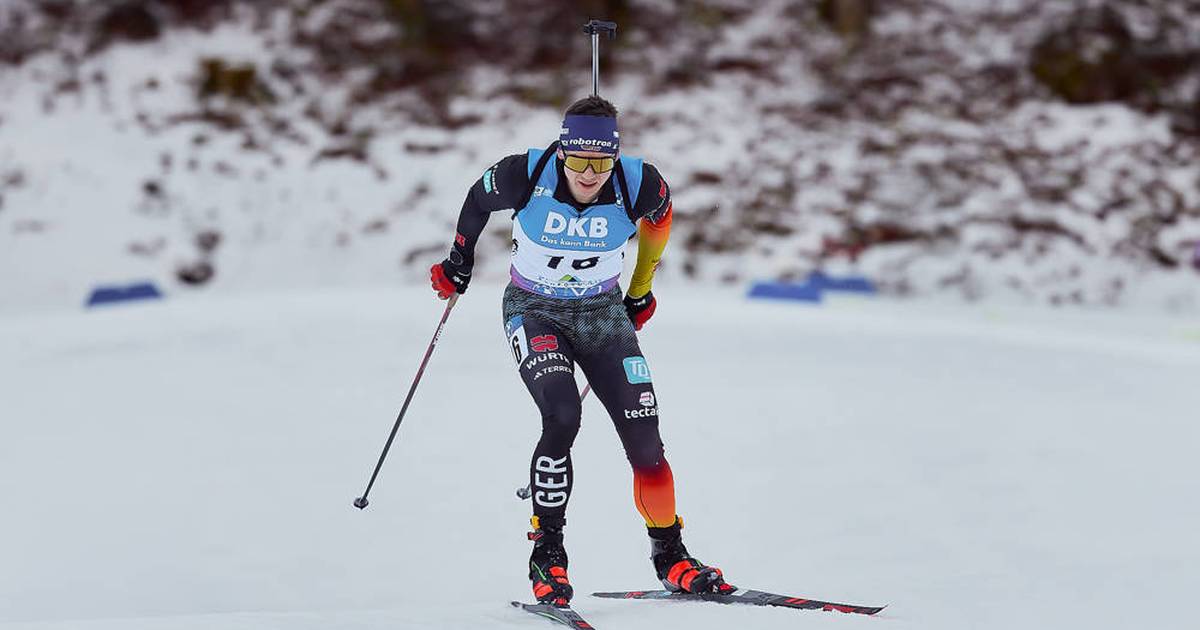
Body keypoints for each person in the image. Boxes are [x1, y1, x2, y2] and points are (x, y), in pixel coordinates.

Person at [429, 95, 733, 607]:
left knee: (645, 438)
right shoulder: (526, 173)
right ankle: (548, 552)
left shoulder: (638, 183)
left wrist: (640, 289)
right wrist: (460, 257)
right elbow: (478, 200)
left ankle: (671, 555)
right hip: (534, 309)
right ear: (563, 151)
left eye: (601, 161)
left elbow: (660, 221)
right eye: (579, 160)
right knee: (563, 416)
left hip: (602, 314)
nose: (590, 173)